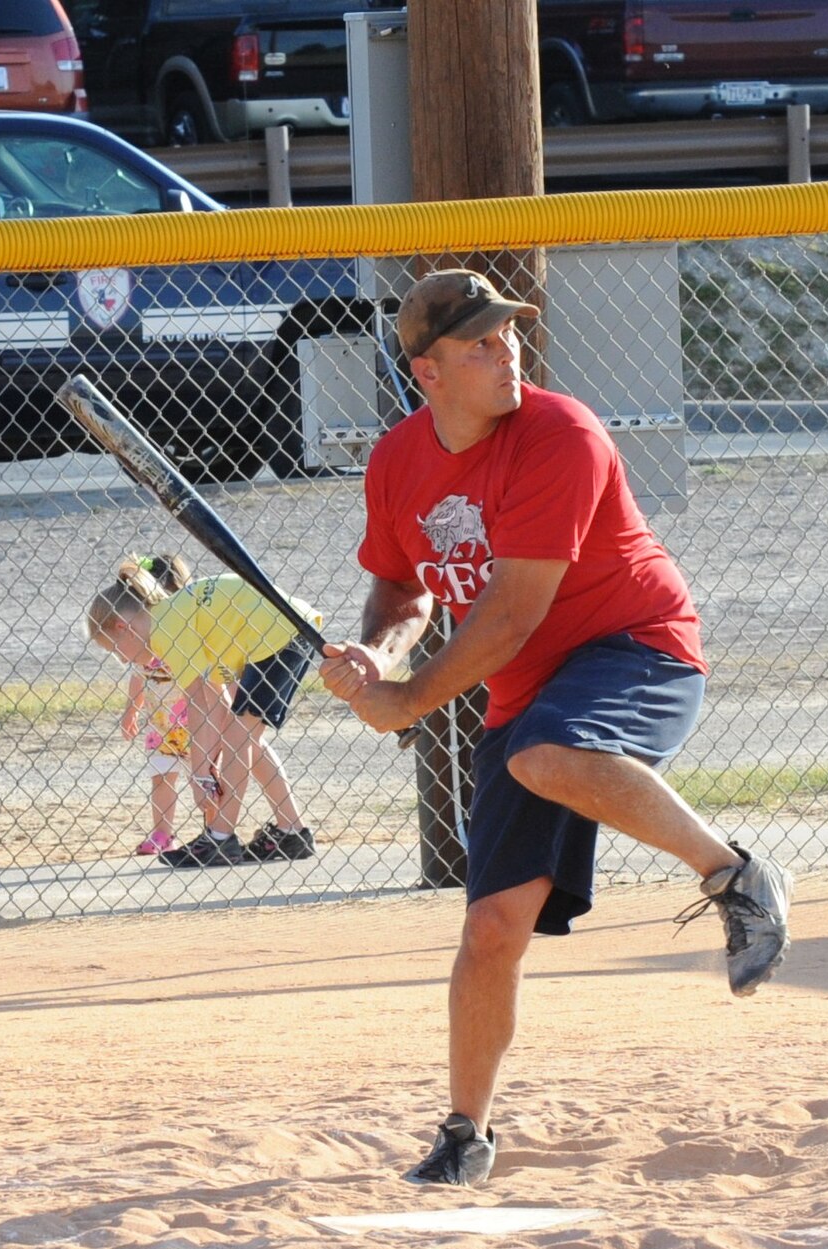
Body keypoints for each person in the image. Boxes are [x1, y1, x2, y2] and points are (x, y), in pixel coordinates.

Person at [319, 267, 794, 1188]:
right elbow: (403, 582)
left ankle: (736, 875)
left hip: (634, 646)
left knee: (549, 753)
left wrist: (409, 700)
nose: (508, 354)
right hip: (525, 692)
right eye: (481, 344)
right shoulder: (398, 462)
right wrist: (378, 655)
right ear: (428, 372)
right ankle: (466, 1134)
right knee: (493, 927)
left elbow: (508, 616)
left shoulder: (560, 432)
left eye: (509, 337)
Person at [86, 557, 317, 867]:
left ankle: (220, 839)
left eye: (116, 650)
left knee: (238, 737)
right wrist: (207, 764)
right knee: (243, 735)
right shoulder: (176, 618)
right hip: (280, 633)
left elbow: (196, 702)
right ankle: (292, 832)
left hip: (277, 637)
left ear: (122, 627)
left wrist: (199, 773)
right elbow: (213, 701)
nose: (124, 660)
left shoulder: (166, 629)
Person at [110, 554, 215, 856]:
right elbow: (139, 676)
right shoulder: (144, 639)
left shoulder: (191, 631)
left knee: (206, 777)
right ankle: (162, 834)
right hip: (161, 726)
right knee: (161, 780)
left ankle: (215, 830)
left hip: (196, 724)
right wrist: (132, 709)